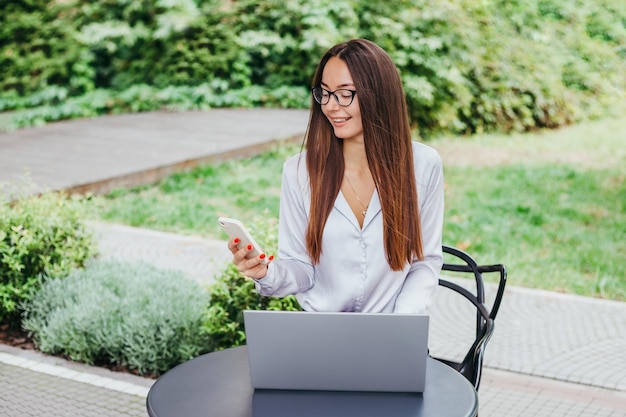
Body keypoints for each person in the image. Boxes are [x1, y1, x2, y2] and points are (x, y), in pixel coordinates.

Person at [228, 39, 444, 314]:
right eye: (325, 93)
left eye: (345, 94)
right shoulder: (298, 172)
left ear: (378, 95)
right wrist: (265, 272)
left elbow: (424, 262)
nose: (330, 106)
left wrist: (400, 326)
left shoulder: (423, 166)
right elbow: (301, 268)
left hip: (395, 336)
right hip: (323, 337)